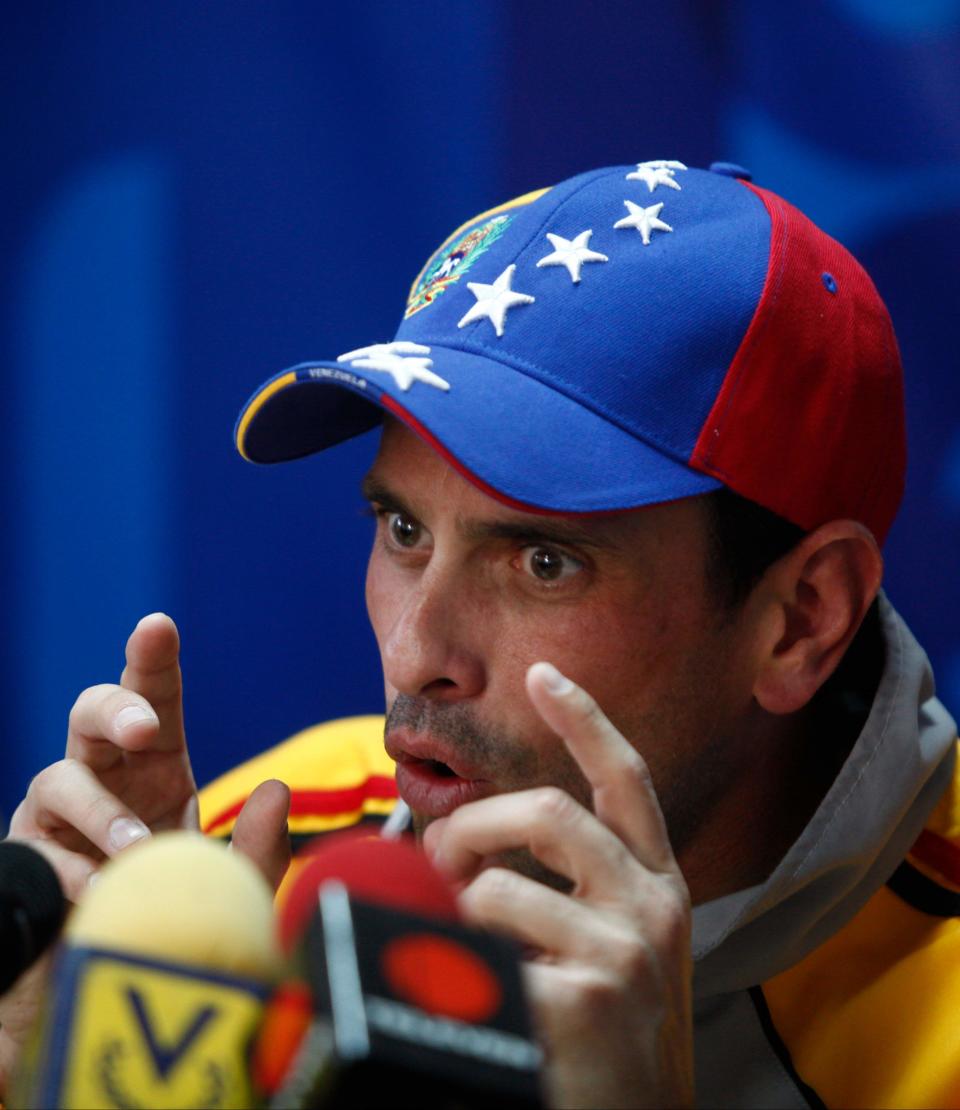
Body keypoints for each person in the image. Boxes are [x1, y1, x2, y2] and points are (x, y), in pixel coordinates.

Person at [2, 161, 957, 1108]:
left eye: (544, 562)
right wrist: (60, 1075)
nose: (417, 657)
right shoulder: (259, 855)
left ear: (802, 621)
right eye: (404, 530)